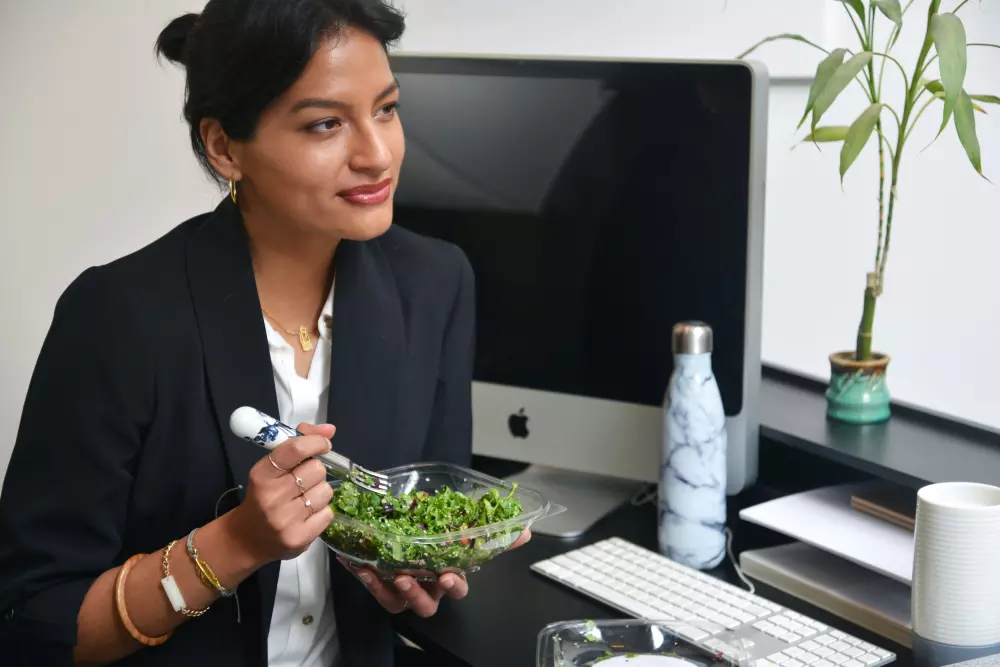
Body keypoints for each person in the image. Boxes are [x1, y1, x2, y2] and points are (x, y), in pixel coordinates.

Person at [0, 1, 527, 665]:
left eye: (386, 109)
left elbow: (431, 511)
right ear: (224, 146)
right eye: (326, 124)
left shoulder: (435, 282)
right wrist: (236, 542)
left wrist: (412, 570)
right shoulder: (117, 316)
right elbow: (31, 621)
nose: (377, 153)